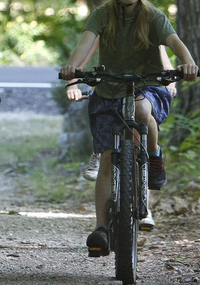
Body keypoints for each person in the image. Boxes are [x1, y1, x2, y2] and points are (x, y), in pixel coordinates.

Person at [59, 0, 198, 256]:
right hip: (111, 86)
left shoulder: (154, 16)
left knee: (141, 110)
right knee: (108, 156)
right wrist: (73, 69)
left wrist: (187, 62)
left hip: (146, 84)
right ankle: (101, 228)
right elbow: (85, 42)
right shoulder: (102, 14)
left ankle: (154, 155)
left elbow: (174, 42)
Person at [71, 43, 176, 231]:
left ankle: (143, 205)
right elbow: (84, 54)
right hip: (110, 87)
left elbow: (162, 56)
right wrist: (72, 81)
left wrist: (171, 82)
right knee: (108, 152)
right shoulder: (107, 25)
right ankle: (101, 226)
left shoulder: (148, 23)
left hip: (141, 90)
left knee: (138, 147)